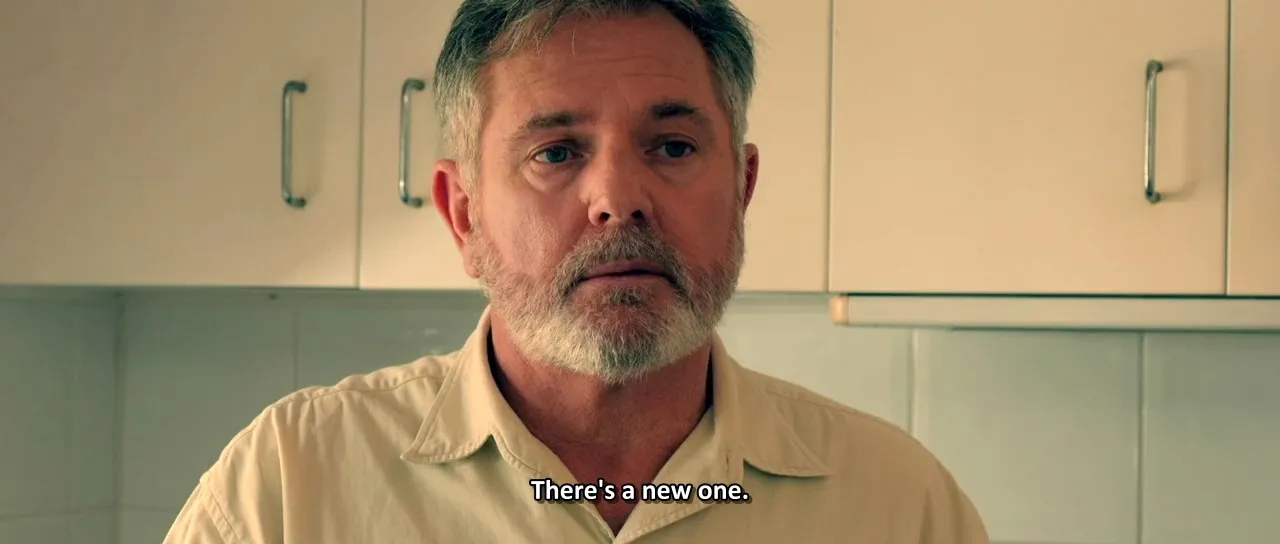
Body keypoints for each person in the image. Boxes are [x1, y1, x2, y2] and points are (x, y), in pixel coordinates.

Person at [164, 0, 989, 542]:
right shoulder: (290, 487)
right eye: (556, 152)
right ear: (463, 213)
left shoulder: (899, 506)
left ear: (741, 190)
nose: (619, 200)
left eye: (673, 146)